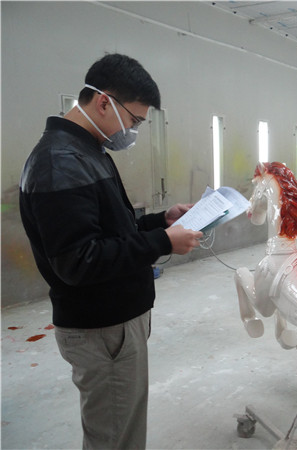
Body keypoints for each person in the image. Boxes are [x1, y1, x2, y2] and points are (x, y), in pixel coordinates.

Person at [19, 54, 203, 449]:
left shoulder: (86, 151)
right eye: (134, 120)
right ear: (104, 102)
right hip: (101, 328)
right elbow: (79, 260)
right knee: (115, 437)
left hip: (114, 324)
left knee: (123, 427)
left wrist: (161, 221)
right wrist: (163, 242)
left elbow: (110, 231)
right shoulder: (60, 161)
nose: (133, 131)